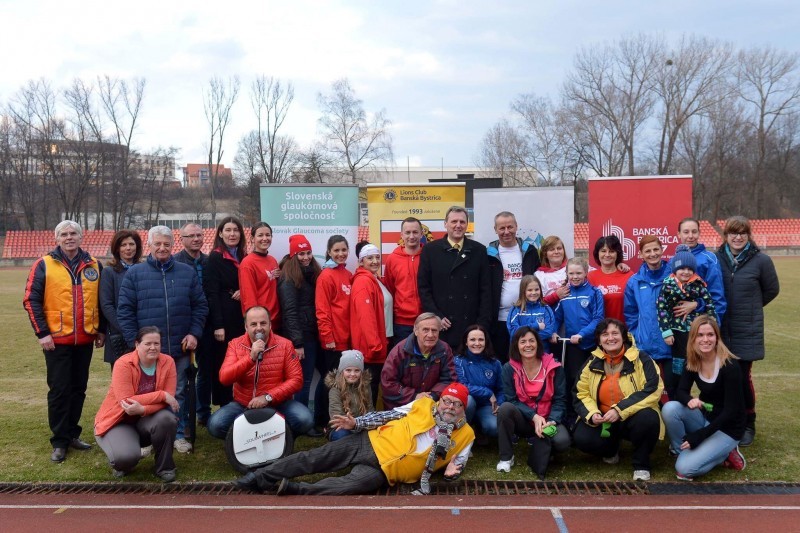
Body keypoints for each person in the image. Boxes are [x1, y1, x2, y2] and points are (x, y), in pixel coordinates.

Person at [234, 383, 474, 496]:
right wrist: (356, 423)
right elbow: (386, 415)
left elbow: (458, 462)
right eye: (446, 401)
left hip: (386, 471)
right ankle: (260, 477)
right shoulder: (422, 404)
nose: (450, 407)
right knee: (315, 457)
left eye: (457, 404)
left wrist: (455, 470)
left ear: (464, 408)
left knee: (348, 486)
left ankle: (295, 489)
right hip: (369, 442)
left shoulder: (466, 435)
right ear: (440, 400)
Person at [117, 225, 208, 454]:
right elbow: (125, 311)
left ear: (172, 245)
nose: (162, 248)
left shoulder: (186, 272)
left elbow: (200, 306)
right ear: (149, 245)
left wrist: (194, 333)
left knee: (177, 393)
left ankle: (177, 434)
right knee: (145, 394)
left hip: (179, 347)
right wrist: (135, 343)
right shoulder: (135, 274)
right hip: (146, 353)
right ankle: (146, 437)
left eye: (166, 244)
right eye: (157, 243)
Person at [23, 220, 105, 463]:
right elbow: (31, 300)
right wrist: (42, 333)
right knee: (60, 390)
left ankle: (72, 434)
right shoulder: (44, 264)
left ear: (81, 237)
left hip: (85, 339)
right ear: (57, 239)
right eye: (64, 234)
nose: (69, 238)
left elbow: (101, 300)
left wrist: (100, 330)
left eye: (74, 234)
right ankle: (59, 441)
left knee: (79, 389)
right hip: (56, 340)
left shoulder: (94, 265)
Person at [715, 216, 780, 447]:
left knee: (742, 378)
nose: (738, 237)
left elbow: (772, 289)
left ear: (748, 235)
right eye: (733, 232)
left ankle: (748, 422)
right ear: (726, 235)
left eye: (742, 232)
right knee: (722, 378)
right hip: (721, 329)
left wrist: (751, 306)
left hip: (746, 329)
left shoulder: (761, 260)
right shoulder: (716, 259)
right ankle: (726, 420)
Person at [573, 318, 663, 482]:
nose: (610, 338)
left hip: (632, 417)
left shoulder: (641, 359)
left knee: (648, 418)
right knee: (582, 438)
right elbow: (581, 393)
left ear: (624, 336)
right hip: (605, 419)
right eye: (605, 334)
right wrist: (593, 414)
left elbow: (653, 389)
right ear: (599, 340)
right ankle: (610, 449)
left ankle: (641, 463)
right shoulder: (592, 361)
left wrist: (620, 409)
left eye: (615, 333)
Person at [206, 306, 313, 439]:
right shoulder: (235, 344)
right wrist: (250, 358)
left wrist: (268, 397)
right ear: (246, 327)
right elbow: (224, 377)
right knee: (215, 425)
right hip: (244, 404)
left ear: (270, 324)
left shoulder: (285, 345)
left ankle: (280, 437)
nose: (259, 328)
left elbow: (296, 380)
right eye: (253, 324)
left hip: (277, 403)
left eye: (263, 323)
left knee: (305, 419)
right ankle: (251, 437)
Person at [662, 315, 747, 481]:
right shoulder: (693, 360)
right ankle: (684, 452)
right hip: (707, 418)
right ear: (693, 338)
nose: (705, 339)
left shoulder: (730, 366)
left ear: (717, 337)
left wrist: (700, 435)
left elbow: (731, 411)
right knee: (670, 408)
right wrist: (689, 400)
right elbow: (681, 391)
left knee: (684, 470)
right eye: (700, 335)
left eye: (710, 335)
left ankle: (725, 453)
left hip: (728, 427)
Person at [94, 326, 179, 482]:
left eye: (157, 343)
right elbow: (126, 400)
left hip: (145, 419)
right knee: (125, 458)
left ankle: (165, 467)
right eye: (148, 344)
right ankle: (123, 461)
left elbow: (169, 399)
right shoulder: (123, 364)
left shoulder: (168, 362)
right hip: (118, 421)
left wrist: (143, 409)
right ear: (137, 344)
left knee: (167, 419)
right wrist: (161, 395)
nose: (153, 347)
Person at [496, 327, 570, 480]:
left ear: (538, 343)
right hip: (523, 420)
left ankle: (545, 449)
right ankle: (506, 457)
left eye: (531, 340)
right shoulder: (508, 368)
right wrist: (534, 416)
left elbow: (560, 400)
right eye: (522, 342)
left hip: (547, 419)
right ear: (516, 345)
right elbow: (511, 399)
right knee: (505, 408)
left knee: (562, 442)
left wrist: (552, 420)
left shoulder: (554, 367)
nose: (527, 345)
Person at [418, 206, 491, 350]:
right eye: (454, 222)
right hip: (443, 326)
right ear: (445, 224)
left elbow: (486, 290)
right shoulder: (430, 250)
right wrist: (437, 316)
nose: (458, 225)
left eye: (462, 222)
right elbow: (424, 288)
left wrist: (481, 325)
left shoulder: (479, 250)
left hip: (471, 328)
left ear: (467, 224)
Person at [277, 234, 325, 434]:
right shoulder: (288, 278)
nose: (305, 257)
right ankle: (302, 423)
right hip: (301, 337)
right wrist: (297, 343)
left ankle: (318, 417)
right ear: (293, 255)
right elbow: (289, 312)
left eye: (308, 253)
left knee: (327, 374)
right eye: (301, 253)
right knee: (303, 381)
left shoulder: (313, 273)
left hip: (315, 334)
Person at [657, 244, 717, 398]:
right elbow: (662, 309)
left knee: (698, 363)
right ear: (675, 269)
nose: (686, 272)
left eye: (689, 269)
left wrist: (712, 328)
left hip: (695, 332)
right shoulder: (667, 286)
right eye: (682, 268)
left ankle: (707, 394)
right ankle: (677, 395)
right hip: (676, 333)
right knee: (678, 364)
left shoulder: (699, 285)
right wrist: (666, 331)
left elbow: (709, 305)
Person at [551, 257, 604, 420]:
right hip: (572, 347)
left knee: (592, 382)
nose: (575, 276)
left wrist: (582, 334)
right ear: (567, 274)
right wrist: (552, 332)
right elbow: (556, 317)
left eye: (579, 273)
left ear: (586, 273)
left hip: (590, 345)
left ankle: (593, 413)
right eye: (571, 273)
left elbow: (598, 318)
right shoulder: (565, 294)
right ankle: (572, 416)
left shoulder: (594, 293)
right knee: (572, 380)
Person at [205, 216, 247, 412]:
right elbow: (212, 293)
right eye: (228, 230)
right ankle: (225, 407)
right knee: (225, 362)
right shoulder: (215, 257)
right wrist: (218, 325)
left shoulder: (244, 256)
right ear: (220, 233)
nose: (232, 234)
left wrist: (244, 289)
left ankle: (242, 400)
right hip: (224, 318)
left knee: (242, 361)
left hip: (241, 318)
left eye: (236, 230)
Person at [624, 235, 674, 399]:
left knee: (674, 390)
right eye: (648, 251)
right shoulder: (634, 282)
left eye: (655, 249)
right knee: (648, 392)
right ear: (641, 254)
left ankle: (675, 423)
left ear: (662, 250)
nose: (652, 254)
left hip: (672, 345)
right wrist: (637, 334)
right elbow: (630, 313)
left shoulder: (674, 277)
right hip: (645, 346)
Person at [173, 222, 213, 426]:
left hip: (206, 323)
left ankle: (203, 413)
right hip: (182, 326)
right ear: (182, 239)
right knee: (183, 375)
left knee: (205, 370)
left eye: (199, 235)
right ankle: (183, 416)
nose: (196, 239)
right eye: (191, 236)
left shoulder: (209, 262)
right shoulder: (175, 262)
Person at [486, 211, 540, 361]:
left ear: (516, 227)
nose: (506, 232)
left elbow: (539, 280)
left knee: (527, 360)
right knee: (503, 362)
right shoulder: (487, 254)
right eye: (502, 228)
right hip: (500, 320)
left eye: (510, 227)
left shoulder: (530, 251)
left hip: (526, 316)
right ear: (495, 229)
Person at [381, 313, 457, 410]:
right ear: (415, 331)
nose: (430, 335)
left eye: (434, 330)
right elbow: (388, 384)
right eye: (425, 330)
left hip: (433, 403)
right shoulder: (399, 352)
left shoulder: (444, 350)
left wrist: (432, 396)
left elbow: (449, 379)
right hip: (402, 406)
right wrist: (414, 396)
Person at [315, 234, 353, 424]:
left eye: (344, 250)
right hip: (333, 340)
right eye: (336, 250)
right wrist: (327, 336)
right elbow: (322, 310)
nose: (340, 254)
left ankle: (337, 416)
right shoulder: (326, 276)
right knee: (329, 382)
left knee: (341, 382)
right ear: (329, 252)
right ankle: (320, 419)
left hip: (347, 339)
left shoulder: (348, 274)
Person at [350, 241, 392, 402]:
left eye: (377, 257)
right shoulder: (363, 281)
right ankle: (364, 425)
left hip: (380, 343)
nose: (375, 261)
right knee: (368, 391)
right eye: (370, 258)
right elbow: (365, 316)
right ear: (361, 261)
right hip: (371, 348)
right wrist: (374, 345)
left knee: (373, 388)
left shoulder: (375, 279)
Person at [99, 229, 143, 368]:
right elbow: (107, 305)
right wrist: (126, 328)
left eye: (131, 244)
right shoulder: (109, 272)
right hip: (120, 334)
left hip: (144, 333)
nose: (128, 248)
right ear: (117, 248)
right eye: (123, 245)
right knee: (122, 378)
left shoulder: (144, 270)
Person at [454, 325, 504, 440]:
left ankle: (479, 431)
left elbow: (501, 388)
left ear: (486, 342)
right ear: (466, 342)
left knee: (494, 427)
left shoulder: (495, 363)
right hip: (467, 405)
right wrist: (487, 392)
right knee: (469, 399)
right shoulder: (458, 361)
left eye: (481, 339)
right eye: (472, 340)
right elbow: (462, 385)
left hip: (486, 406)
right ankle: (461, 436)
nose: (477, 343)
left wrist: (500, 404)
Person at [382, 217, 424, 348]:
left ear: (421, 234)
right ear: (401, 235)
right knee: (403, 363)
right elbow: (390, 290)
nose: (411, 236)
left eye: (415, 232)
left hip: (426, 320)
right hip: (401, 323)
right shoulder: (392, 259)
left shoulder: (429, 255)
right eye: (407, 232)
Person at [676, 217, 727, 323]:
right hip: (678, 325)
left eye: (694, 232)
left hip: (702, 322)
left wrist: (714, 324)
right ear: (679, 234)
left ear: (699, 233)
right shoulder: (674, 260)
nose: (690, 236)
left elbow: (717, 295)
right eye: (686, 232)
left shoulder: (709, 259)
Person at [324, 350, 374, 441]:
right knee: (344, 436)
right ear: (342, 371)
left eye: (357, 370)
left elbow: (370, 409)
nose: (352, 374)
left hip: (361, 425)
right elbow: (337, 417)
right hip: (341, 426)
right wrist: (354, 425)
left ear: (361, 372)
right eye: (348, 370)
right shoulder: (335, 388)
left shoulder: (365, 386)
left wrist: (364, 425)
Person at [239, 222, 281, 328]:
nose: (265, 238)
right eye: (260, 235)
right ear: (252, 238)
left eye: (268, 235)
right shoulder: (248, 263)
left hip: (275, 320)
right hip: (261, 323)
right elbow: (249, 298)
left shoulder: (272, 260)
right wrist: (257, 323)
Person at [587, 235, 633, 322]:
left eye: (611, 251)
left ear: (617, 253)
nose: (607, 255)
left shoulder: (628, 275)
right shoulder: (590, 277)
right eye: (603, 251)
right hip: (599, 331)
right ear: (597, 253)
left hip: (623, 330)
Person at [507, 275, 556, 354]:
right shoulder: (515, 309)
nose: (533, 293)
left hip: (541, 353)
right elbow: (514, 332)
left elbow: (548, 332)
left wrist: (525, 339)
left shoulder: (546, 309)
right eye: (529, 290)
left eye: (536, 289)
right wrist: (536, 325)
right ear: (523, 291)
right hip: (519, 354)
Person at [535, 235, 569, 306]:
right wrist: (555, 296)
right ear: (545, 254)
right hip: (550, 315)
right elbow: (537, 302)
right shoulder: (539, 275)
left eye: (559, 248)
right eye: (552, 249)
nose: (556, 252)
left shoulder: (573, 268)